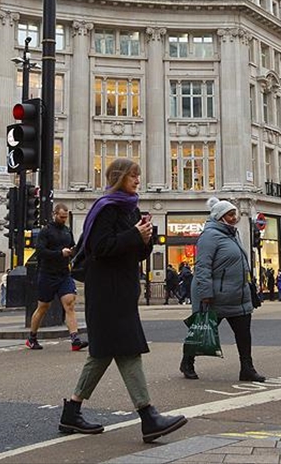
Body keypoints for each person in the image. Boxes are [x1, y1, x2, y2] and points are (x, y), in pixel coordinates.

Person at [57, 158, 187, 443]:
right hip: (106, 291)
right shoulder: (106, 208)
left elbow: (135, 253)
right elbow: (100, 248)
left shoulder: (130, 207)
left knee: (102, 352)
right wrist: (133, 235)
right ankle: (148, 416)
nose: (138, 181)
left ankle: (72, 411)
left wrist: (146, 238)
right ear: (118, 177)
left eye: (138, 176)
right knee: (127, 349)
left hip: (122, 289)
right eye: (133, 176)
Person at [180, 198, 265, 383]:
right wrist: (206, 294)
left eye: (234, 214)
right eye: (230, 214)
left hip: (239, 296)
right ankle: (187, 362)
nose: (234, 217)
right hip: (216, 297)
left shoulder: (233, 234)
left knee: (244, 335)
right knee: (202, 332)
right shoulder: (209, 236)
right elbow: (202, 267)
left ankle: (247, 369)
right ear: (219, 217)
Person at [26, 203, 84, 351]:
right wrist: (59, 253)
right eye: (61, 217)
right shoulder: (46, 231)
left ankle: (75, 339)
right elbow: (40, 251)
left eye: (65, 217)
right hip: (47, 274)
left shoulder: (67, 231)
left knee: (69, 304)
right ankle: (32, 337)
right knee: (43, 307)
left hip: (64, 273)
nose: (64, 219)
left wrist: (73, 251)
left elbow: (72, 246)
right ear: (55, 214)